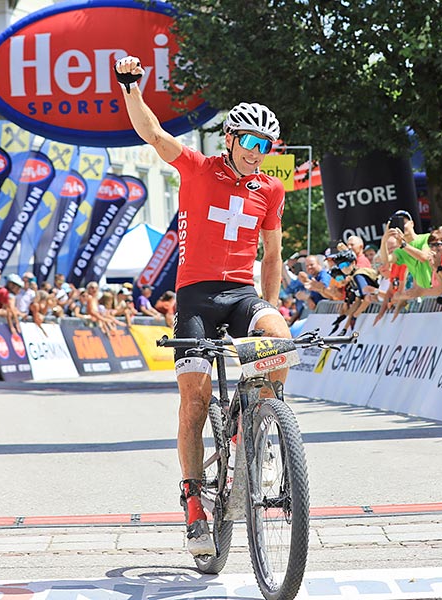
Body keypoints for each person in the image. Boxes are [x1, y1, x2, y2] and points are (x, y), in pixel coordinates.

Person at [116, 54, 290, 557]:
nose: (260, 152)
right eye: (252, 142)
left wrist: (270, 311)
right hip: (195, 296)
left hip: (242, 294)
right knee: (194, 401)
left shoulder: (271, 189)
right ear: (231, 139)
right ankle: (194, 505)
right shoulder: (196, 167)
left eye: (268, 146)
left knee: (279, 338)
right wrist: (131, 88)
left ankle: (262, 427)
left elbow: (273, 255)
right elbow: (151, 132)